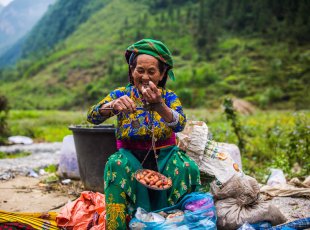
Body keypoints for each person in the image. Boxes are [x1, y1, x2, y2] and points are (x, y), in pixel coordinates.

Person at [87, 39, 201, 229]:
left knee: (187, 167)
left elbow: (180, 124)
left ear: (162, 74)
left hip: (165, 155)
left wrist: (160, 106)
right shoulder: (121, 94)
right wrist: (112, 106)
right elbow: (92, 116)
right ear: (132, 71)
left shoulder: (168, 97)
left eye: (151, 72)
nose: (145, 77)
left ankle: (179, 223)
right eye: (140, 70)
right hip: (130, 155)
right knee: (115, 165)